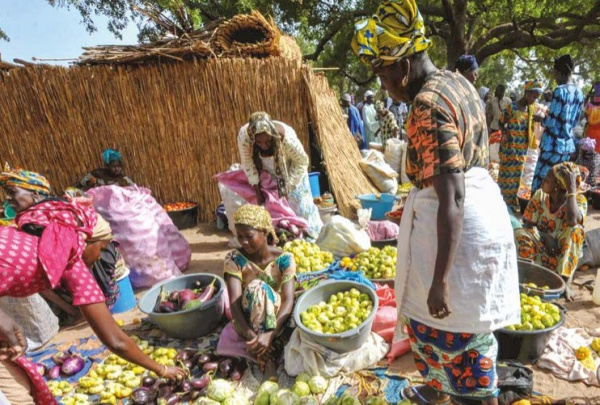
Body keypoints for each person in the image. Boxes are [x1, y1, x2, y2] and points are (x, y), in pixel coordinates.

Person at [352, 2, 520, 405]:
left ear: (403, 66)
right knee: (461, 328)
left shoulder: (426, 105)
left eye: (383, 72)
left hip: (458, 230)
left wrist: (441, 280)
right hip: (480, 212)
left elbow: (453, 196)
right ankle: (441, 390)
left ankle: (475, 397)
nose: (384, 83)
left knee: (451, 327)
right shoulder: (456, 81)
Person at [0, 167, 185, 405]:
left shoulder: (47, 244)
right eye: (103, 247)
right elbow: (114, 339)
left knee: (21, 386)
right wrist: (161, 369)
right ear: (86, 240)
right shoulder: (71, 261)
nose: (100, 256)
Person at [220, 204, 295, 376]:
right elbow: (234, 304)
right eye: (239, 236)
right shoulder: (234, 259)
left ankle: (268, 347)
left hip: (277, 319)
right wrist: (253, 337)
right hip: (248, 319)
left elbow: (288, 299)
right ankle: (267, 358)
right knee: (257, 288)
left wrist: (270, 334)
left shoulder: (284, 259)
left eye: (249, 236)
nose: (244, 242)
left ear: (265, 232)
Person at [237, 112, 322, 239]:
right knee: (274, 209)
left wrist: (289, 186)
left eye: (268, 141)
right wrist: (258, 192)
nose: (264, 146)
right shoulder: (245, 138)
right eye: (259, 142)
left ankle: (313, 237)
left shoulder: (285, 136)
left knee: (300, 206)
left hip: (293, 168)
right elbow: (248, 164)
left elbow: (302, 161)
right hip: (268, 171)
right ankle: (285, 239)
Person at [515, 162, 588, 301]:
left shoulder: (579, 200)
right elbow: (528, 227)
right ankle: (531, 275)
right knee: (519, 233)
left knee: (576, 231)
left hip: (562, 257)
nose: (543, 180)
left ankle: (565, 282)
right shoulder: (540, 195)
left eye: (548, 179)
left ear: (558, 186)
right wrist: (545, 236)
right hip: (542, 251)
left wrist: (571, 190)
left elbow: (573, 221)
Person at [531, 55, 585, 193]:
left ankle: (535, 211)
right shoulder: (579, 93)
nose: (555, 78)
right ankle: (552, 213)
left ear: (561, 73)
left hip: (551, 145)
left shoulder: (560, 91)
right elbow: (574, 121)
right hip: (567, 146)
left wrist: (540, 118)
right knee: (558, 185)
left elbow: (551, 121)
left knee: (540, 182)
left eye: (555, 74)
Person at [497, 79, 544, 212]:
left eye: (537, 97)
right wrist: (504, 131)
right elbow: (501, 122)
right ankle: (502, 201)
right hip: (509, 147)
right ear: (527, 92)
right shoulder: (511, 107)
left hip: (522, 149)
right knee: (505, 175)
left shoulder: (531, 109)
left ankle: (512, 202)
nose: (534, 100)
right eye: (533, 96)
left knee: (517, 176)